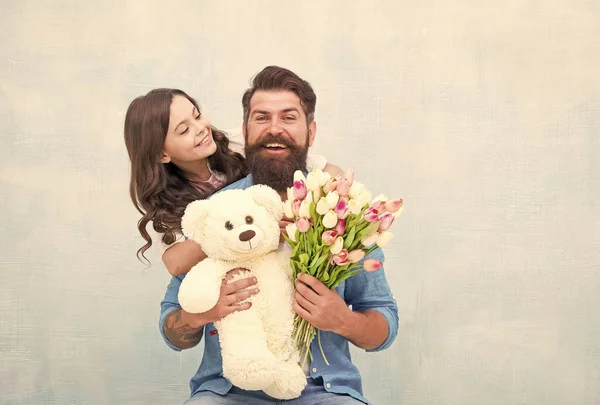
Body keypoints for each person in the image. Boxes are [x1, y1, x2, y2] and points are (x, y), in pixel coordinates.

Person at [159, 66, 399, 405]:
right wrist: (198, 315)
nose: (275, 129)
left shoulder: (344, 212)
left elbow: (383, 322)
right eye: (261, 118)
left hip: (325, 392)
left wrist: (343, 320)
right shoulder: (217, 212)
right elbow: (172, 329)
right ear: (244, 130)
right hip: (228, 392)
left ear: (310, 132)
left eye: (289, 118)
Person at [124, 88, 342, 277]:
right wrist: (257, 224)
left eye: (197, 116)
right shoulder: (163, 199)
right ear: (162, 154)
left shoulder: (236, 142)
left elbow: (327, 170)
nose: (200, 128)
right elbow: (176, 262)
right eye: (184, 130)